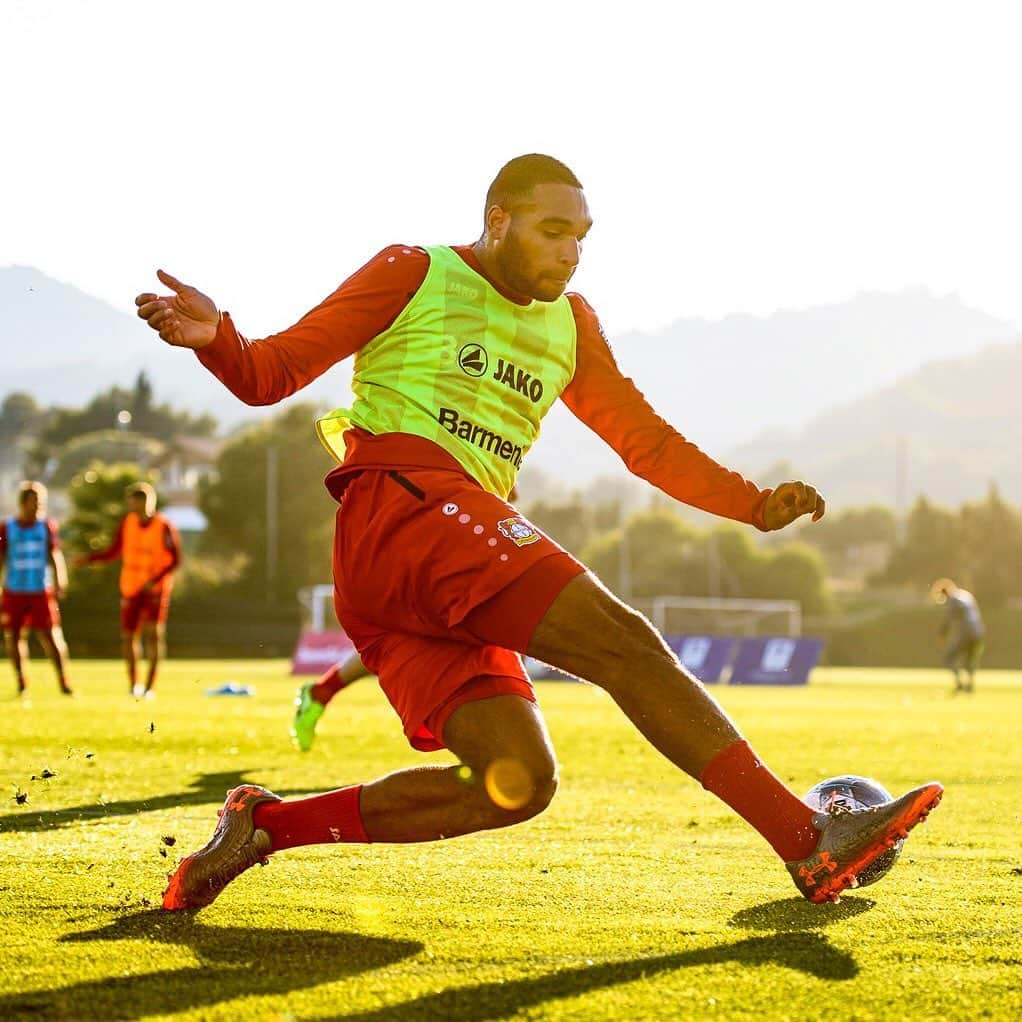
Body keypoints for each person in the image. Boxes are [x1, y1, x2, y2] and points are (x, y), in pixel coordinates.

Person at [137, 154, 941, 911]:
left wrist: (752, 505)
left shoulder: (570, 324)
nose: (571, 252)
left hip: (427, 561)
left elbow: (645, 443)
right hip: (405, 506)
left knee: (513, 782)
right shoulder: (413, 270)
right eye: (553, 231)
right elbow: (271, 373)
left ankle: (267, 827)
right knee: (625, 643)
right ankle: (807, 840)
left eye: (582, 237)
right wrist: (219, 339)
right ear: (497, 220)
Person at [291, 484, 521, 751]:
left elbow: (508, 492)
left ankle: (321, 693)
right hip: (417, 541)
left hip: (449, 542)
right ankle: (322, 693)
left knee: (407, 636)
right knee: (411, 634)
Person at [75, 483, 181, 698]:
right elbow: (114, 552)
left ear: (145, 502)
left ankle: (151, 686)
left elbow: (175, 559)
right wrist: (88, 559)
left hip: (154, 590)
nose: (131, 505)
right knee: (129, 636)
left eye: (134, 501)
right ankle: (134, 684)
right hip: (131, 587)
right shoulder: (128, 523)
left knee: (153, 635)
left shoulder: (163, 526)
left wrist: (156, 579)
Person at [0, 481, 72, 697]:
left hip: (40, 589)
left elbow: (54, 555)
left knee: (51, 636)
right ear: (23, 503)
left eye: (41, 502)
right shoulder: (7, 528)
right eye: (35, 502)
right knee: (14, 637)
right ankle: (22, 683)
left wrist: (60, 579)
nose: (39, 506)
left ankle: (64, 682)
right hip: (14, 590)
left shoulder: (47, 526)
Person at [931, 578, 984, 694]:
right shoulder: (966, 595)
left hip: (966, 632)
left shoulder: (953, 599)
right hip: (978, 631)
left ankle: (959, 683)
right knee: (970, 660)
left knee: (949, 657)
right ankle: (970, 685)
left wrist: (942, 633)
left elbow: (949, 618)